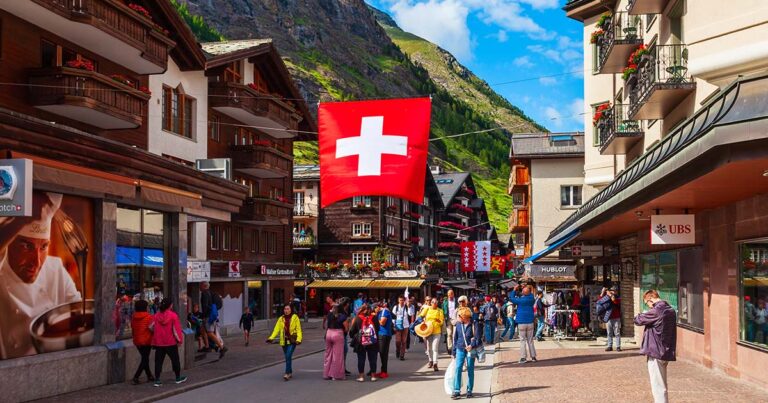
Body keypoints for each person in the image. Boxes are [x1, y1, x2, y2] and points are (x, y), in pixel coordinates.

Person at [0, 192, 82, 359]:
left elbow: (78, 310)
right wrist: (21, 219)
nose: (36, 262)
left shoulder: (55, 269)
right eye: (26, 246)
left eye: (43, 247)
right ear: (9, 244)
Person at [634, 290, 677, 403]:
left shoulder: (657, 310)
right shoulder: (671, 310)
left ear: (650, 299)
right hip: (665, 350)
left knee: (658, 385)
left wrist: (640, 314)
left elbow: (638, 320)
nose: (648, 306)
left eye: (646, 303)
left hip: (656, 350)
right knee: (662, 383)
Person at [151, 298, 186, 386]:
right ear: (170, 305)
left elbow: (150, 327)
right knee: (175, 360)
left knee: (158, 361)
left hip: (159, 342)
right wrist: (179, 340)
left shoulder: (156, 316)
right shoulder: (173, 316)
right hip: (170, 342)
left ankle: (157, 379)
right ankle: (178, 377)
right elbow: (176, 330)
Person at [451, 306, 480, 400]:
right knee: (458, 368)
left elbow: (477, 338)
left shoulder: (474, 324)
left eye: (460, 316)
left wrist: (471, 345)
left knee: (470, 370)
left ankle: (469, 390)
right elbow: (455, 338)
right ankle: (456, 390)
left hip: (470, 350)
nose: (458, 317)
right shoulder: (458, 324)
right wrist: (453, 352)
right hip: (460, 348)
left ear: (466, 317)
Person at [267, 304, 303, 381]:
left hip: (292, 340)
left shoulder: (295, 318)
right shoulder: (281, 319)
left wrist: (299, 339)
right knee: (287, 357)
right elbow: (276, 329)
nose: (286, 310)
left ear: (291, 310)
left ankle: (287, 373)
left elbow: (299, 329)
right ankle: (290, 372)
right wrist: (271, 338)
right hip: (284, 341)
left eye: (287, 309)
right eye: (285, 309)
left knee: (288, 355)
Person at [349, 304, 379, 382]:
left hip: (361, 342)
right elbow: (378, 329)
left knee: (361, 358)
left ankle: (361, 376)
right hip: (372, 341)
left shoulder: (358, 318)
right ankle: (373, 376)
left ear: (361, 310)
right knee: (372, 359)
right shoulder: (375, 318)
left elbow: (352, 331)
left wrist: (354, 336)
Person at [509, 285, 536, 363]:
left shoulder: (520, 300)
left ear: (523, 293)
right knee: (530, 340)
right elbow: (530, 294)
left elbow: (511, 298)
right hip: (530, 321)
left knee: (522, 340)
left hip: (521, 322)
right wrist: (526, 289)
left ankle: (523, 358)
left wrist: (514, 289)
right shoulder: (531, 299)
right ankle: (533, 356)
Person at [130, 299, 154, 385]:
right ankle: (136, 376)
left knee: (145, 358)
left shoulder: (133, 317)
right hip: (146, 340)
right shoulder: (149, 317)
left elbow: (132, 328)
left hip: (137, 341)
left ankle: (149, 375)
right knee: (145, 359)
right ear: (145, 307)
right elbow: (152, 328)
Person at [323, 300, 348, 380]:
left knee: (328, 355)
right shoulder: (343, 316)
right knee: (337, 356)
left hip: (329, 333)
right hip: (337, 333)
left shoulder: (329, 314)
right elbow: (346, 328)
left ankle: (326, 374)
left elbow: (327, 324)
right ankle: (336, 375)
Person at [420, 296, 445, 372]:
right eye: (432, 302)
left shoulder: (440, 311)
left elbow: (441, 322)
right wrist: (423, 321)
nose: (434, 303)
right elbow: (420, 316)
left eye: (435, 302)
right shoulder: (427, 309)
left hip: (436, 332)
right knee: (429, 348)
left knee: (435, 348)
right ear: (430, 303)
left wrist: (437, 322)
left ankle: (435, 363)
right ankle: (430, 360)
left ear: (437, 304)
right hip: (428, 331)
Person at [598, 286, 622, 351]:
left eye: (614, 291)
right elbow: (600, 301)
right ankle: (609, 346)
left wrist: (610, 294)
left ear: (616, 291)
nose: (613, 292)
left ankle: (618, 346)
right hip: (608, 317)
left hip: (616, 317)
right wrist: (602, 292)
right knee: (609, 333)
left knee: (617, 333)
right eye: (612, 290)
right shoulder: (607, 297)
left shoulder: (618, 298)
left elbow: (614, 301)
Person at [374, 301, 394, 378]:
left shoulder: (384, 311)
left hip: (384, 335)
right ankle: (383, 370)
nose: (374, 310)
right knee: (382, 353)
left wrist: (375, 318)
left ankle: (384, 371)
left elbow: (382, 323)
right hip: (382, 334)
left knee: (383, 353)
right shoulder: (380, 312)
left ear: (378, 307)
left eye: (374, 308)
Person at [392, 295, 413, 360]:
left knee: (404, 341)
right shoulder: (396, 307)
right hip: (398, 326)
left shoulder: (407, 307)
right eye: (400, 300)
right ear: (398, 301)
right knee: (398, 341)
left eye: (402, 300)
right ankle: (398, 350)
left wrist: (409, 306)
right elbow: (393, 317)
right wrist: (394, 325)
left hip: (405, 325)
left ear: (404, 301)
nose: (401, 301)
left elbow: (410, 314)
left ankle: (402, 355)